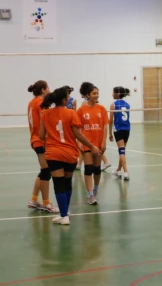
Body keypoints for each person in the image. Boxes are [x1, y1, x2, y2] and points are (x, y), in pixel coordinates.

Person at [39, 87, 101, 225]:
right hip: (70, 153)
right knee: (67, 182)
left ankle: (64, 215)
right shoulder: (72, 113)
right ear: (64, 99)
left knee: (58, 184)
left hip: (53, 153)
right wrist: (91, 146)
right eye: (68, 97)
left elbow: (41, 136)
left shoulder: (45, 114)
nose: (69, 99)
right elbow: (78, 134)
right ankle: (65, 213)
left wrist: (53, 136)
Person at [27, 81, 58, 213]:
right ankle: (46, 203)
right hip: (41, 140)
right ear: (44, 90)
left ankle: (34, 199)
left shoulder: (32, 102)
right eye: (48, 88)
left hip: (35, 139)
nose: (50, 90)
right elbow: (44, 119)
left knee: (43, 171)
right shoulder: (40, 103)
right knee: (46, 172)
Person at [77, 82, 109, 205]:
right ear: (88, 95)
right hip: (87, 143)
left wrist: (104, 141)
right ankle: (90, 194)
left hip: (99, 142)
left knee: (97, 169)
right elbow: (78, 127)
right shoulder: (81, 110)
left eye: (97, 93)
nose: (96, 95)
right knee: (88, 168)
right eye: (94, 93)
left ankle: (95, 188)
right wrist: (79, 141)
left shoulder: (101, 109)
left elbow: (105, 125)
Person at [109, 86, 131, 180]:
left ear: (117, 94)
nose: (112, 94)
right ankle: (118, 169)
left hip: (118, 129)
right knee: (122, 151)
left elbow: (110, 120)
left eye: (113, 92)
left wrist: (109, 133)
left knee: (121, 151)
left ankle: (125, 172)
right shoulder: (127, 104)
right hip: (127, 129)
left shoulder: (113, 105)